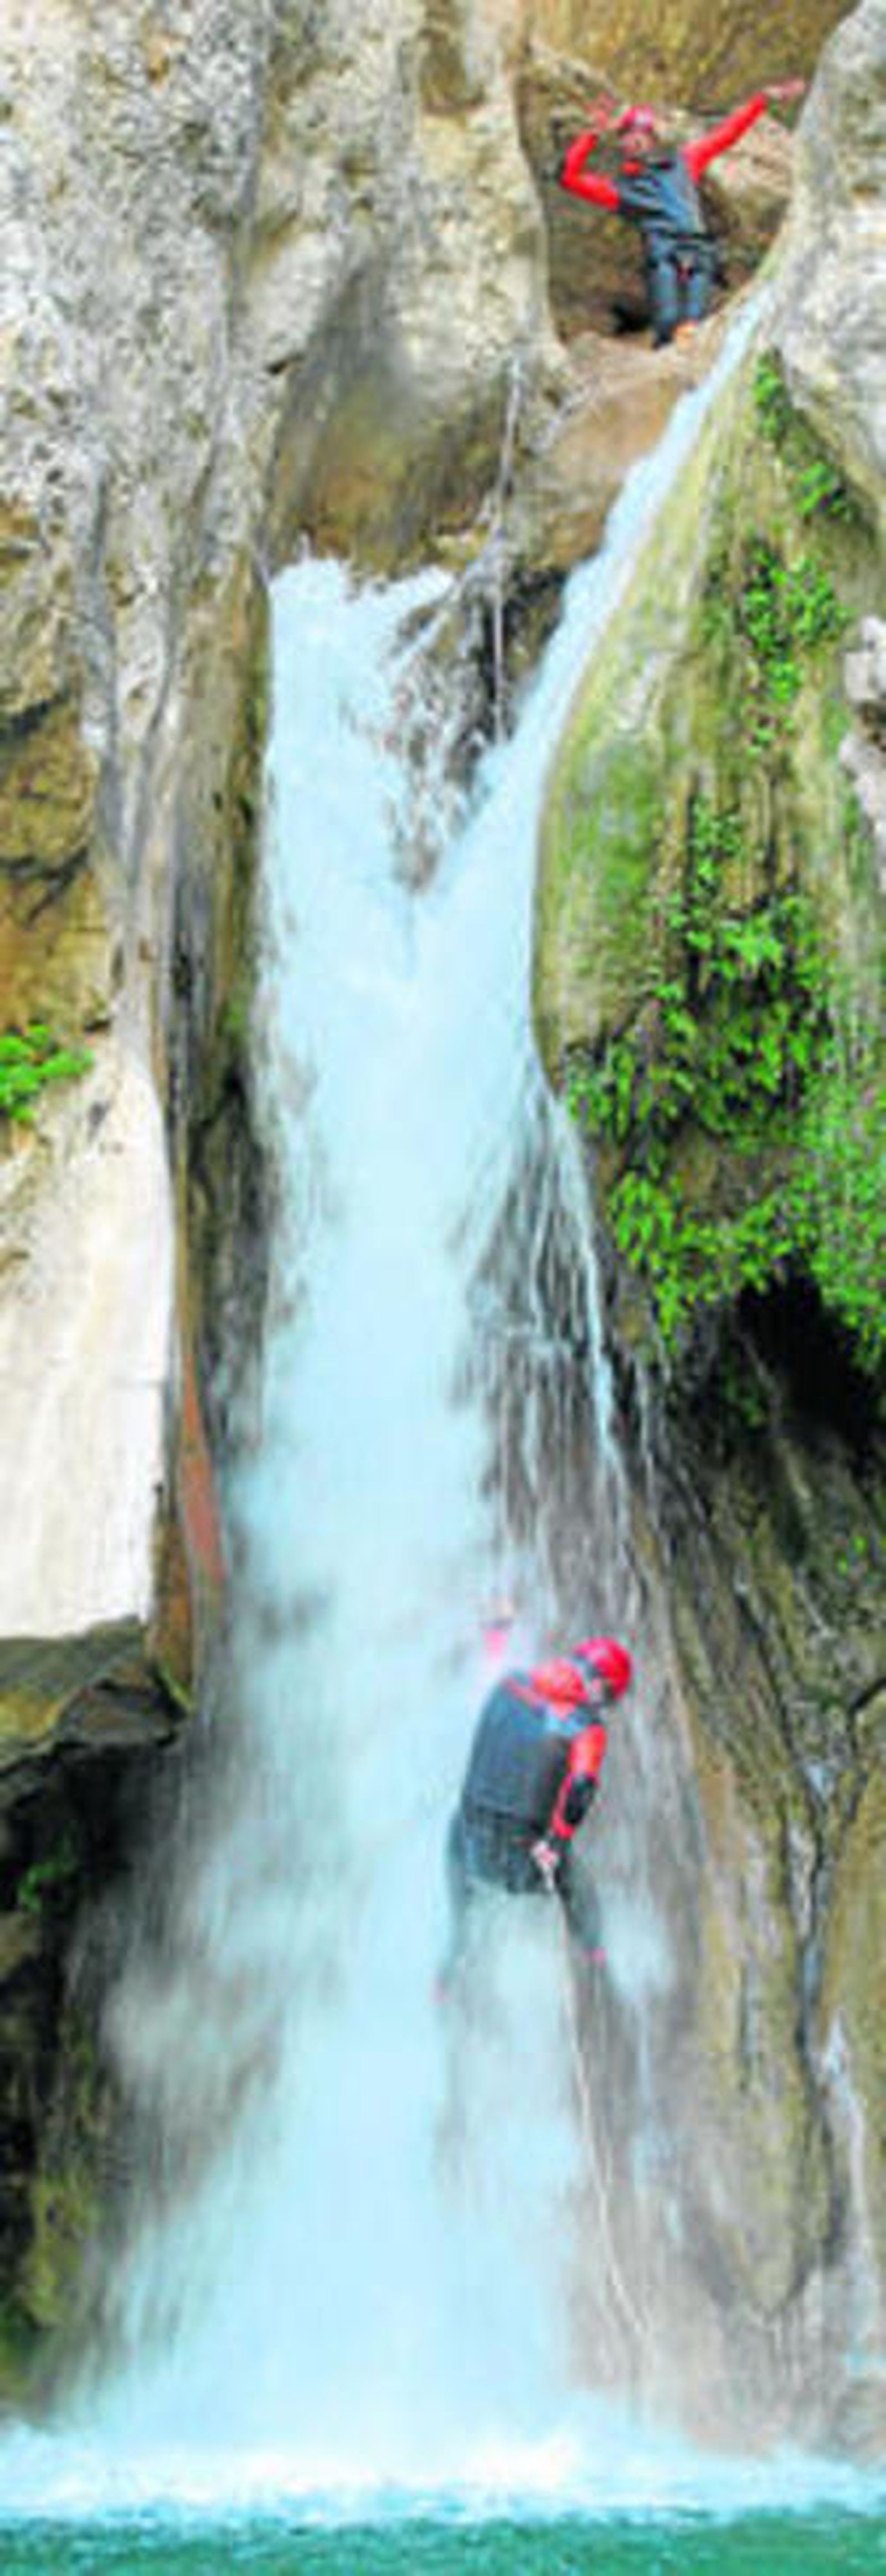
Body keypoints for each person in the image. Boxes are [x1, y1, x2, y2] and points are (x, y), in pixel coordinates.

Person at [439, 1633, 633, 1995]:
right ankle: (597, 1960)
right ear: (599, 1686)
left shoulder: (508, 1682)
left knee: (459, 1847)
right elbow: (580, 1790)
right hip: (518, 1862)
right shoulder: (586, 1728)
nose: (604, 1706)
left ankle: (451, 1966)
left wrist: (496, 1632)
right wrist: (556, 1843)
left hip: (466, 1844)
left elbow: (488, 1662)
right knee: (579, 1889)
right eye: (609, 1697)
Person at [559, 82, 806, 348]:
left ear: (654, 138)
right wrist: (591, 134)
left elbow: (727, 135)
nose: (636, 139)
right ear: (622, 143)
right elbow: (570, 178)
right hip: (663, 256)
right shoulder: (622, 190)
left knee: (695, 324)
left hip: (699, 253)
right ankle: (663, 361)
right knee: (667, 322)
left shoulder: (685, 162)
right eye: (629, 134)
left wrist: (762, 100)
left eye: (642, 133)